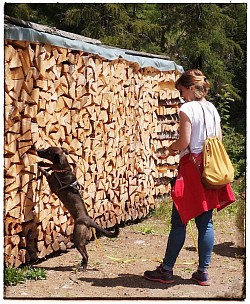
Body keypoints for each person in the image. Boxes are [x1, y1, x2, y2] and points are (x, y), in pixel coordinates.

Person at [144, 69, 235, 286]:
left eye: (182, 90)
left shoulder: (187, 108)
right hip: (210, 169)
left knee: (179, 220)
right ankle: (203, 272)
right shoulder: (212, 108)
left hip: (192, 169)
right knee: (206, 222)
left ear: (191, 88)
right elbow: (218, 139)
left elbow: (184, 142)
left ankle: (166, 270)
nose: (181, 95)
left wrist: (169, 149)